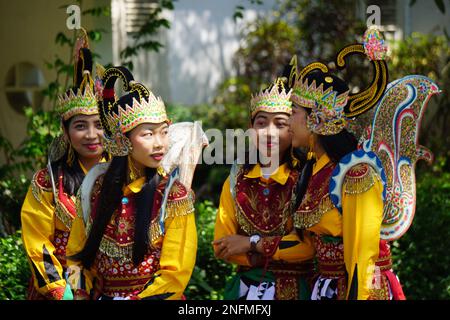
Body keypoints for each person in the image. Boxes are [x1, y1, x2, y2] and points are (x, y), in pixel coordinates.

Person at [288, 29, 406, 299]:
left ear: (315, 120)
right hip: (327, 287)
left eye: (293, 113)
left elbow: (362, 258)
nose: (287, 121)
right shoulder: (313, 168)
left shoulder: (356, 175)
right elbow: (308, 246)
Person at [65, 66, 197, 300]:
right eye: (148, 134)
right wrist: (80, 292)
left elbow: (175, 275)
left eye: (164, 132)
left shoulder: (173, 195)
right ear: (122, 140)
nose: (160, 143)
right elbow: (77, 256)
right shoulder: (95, 189)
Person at [21, 32, 105, 300]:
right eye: (81, 126)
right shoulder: (48, 183)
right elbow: (38, 243)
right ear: (66, 132)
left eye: (100, 125)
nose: (92, 135)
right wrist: (62, 291)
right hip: (60, 288)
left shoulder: (125, 176)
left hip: (109, 287)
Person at [213, 79, 315, 300]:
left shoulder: (307, 179)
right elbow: (221, 245)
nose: (269, 132)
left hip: (296, 290)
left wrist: (250, 244)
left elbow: (307, 247)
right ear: (251, 129)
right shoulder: (235, 181)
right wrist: (258, 258)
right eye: (261, 123)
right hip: (245, 289)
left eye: (280, 124)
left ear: (293, 128)